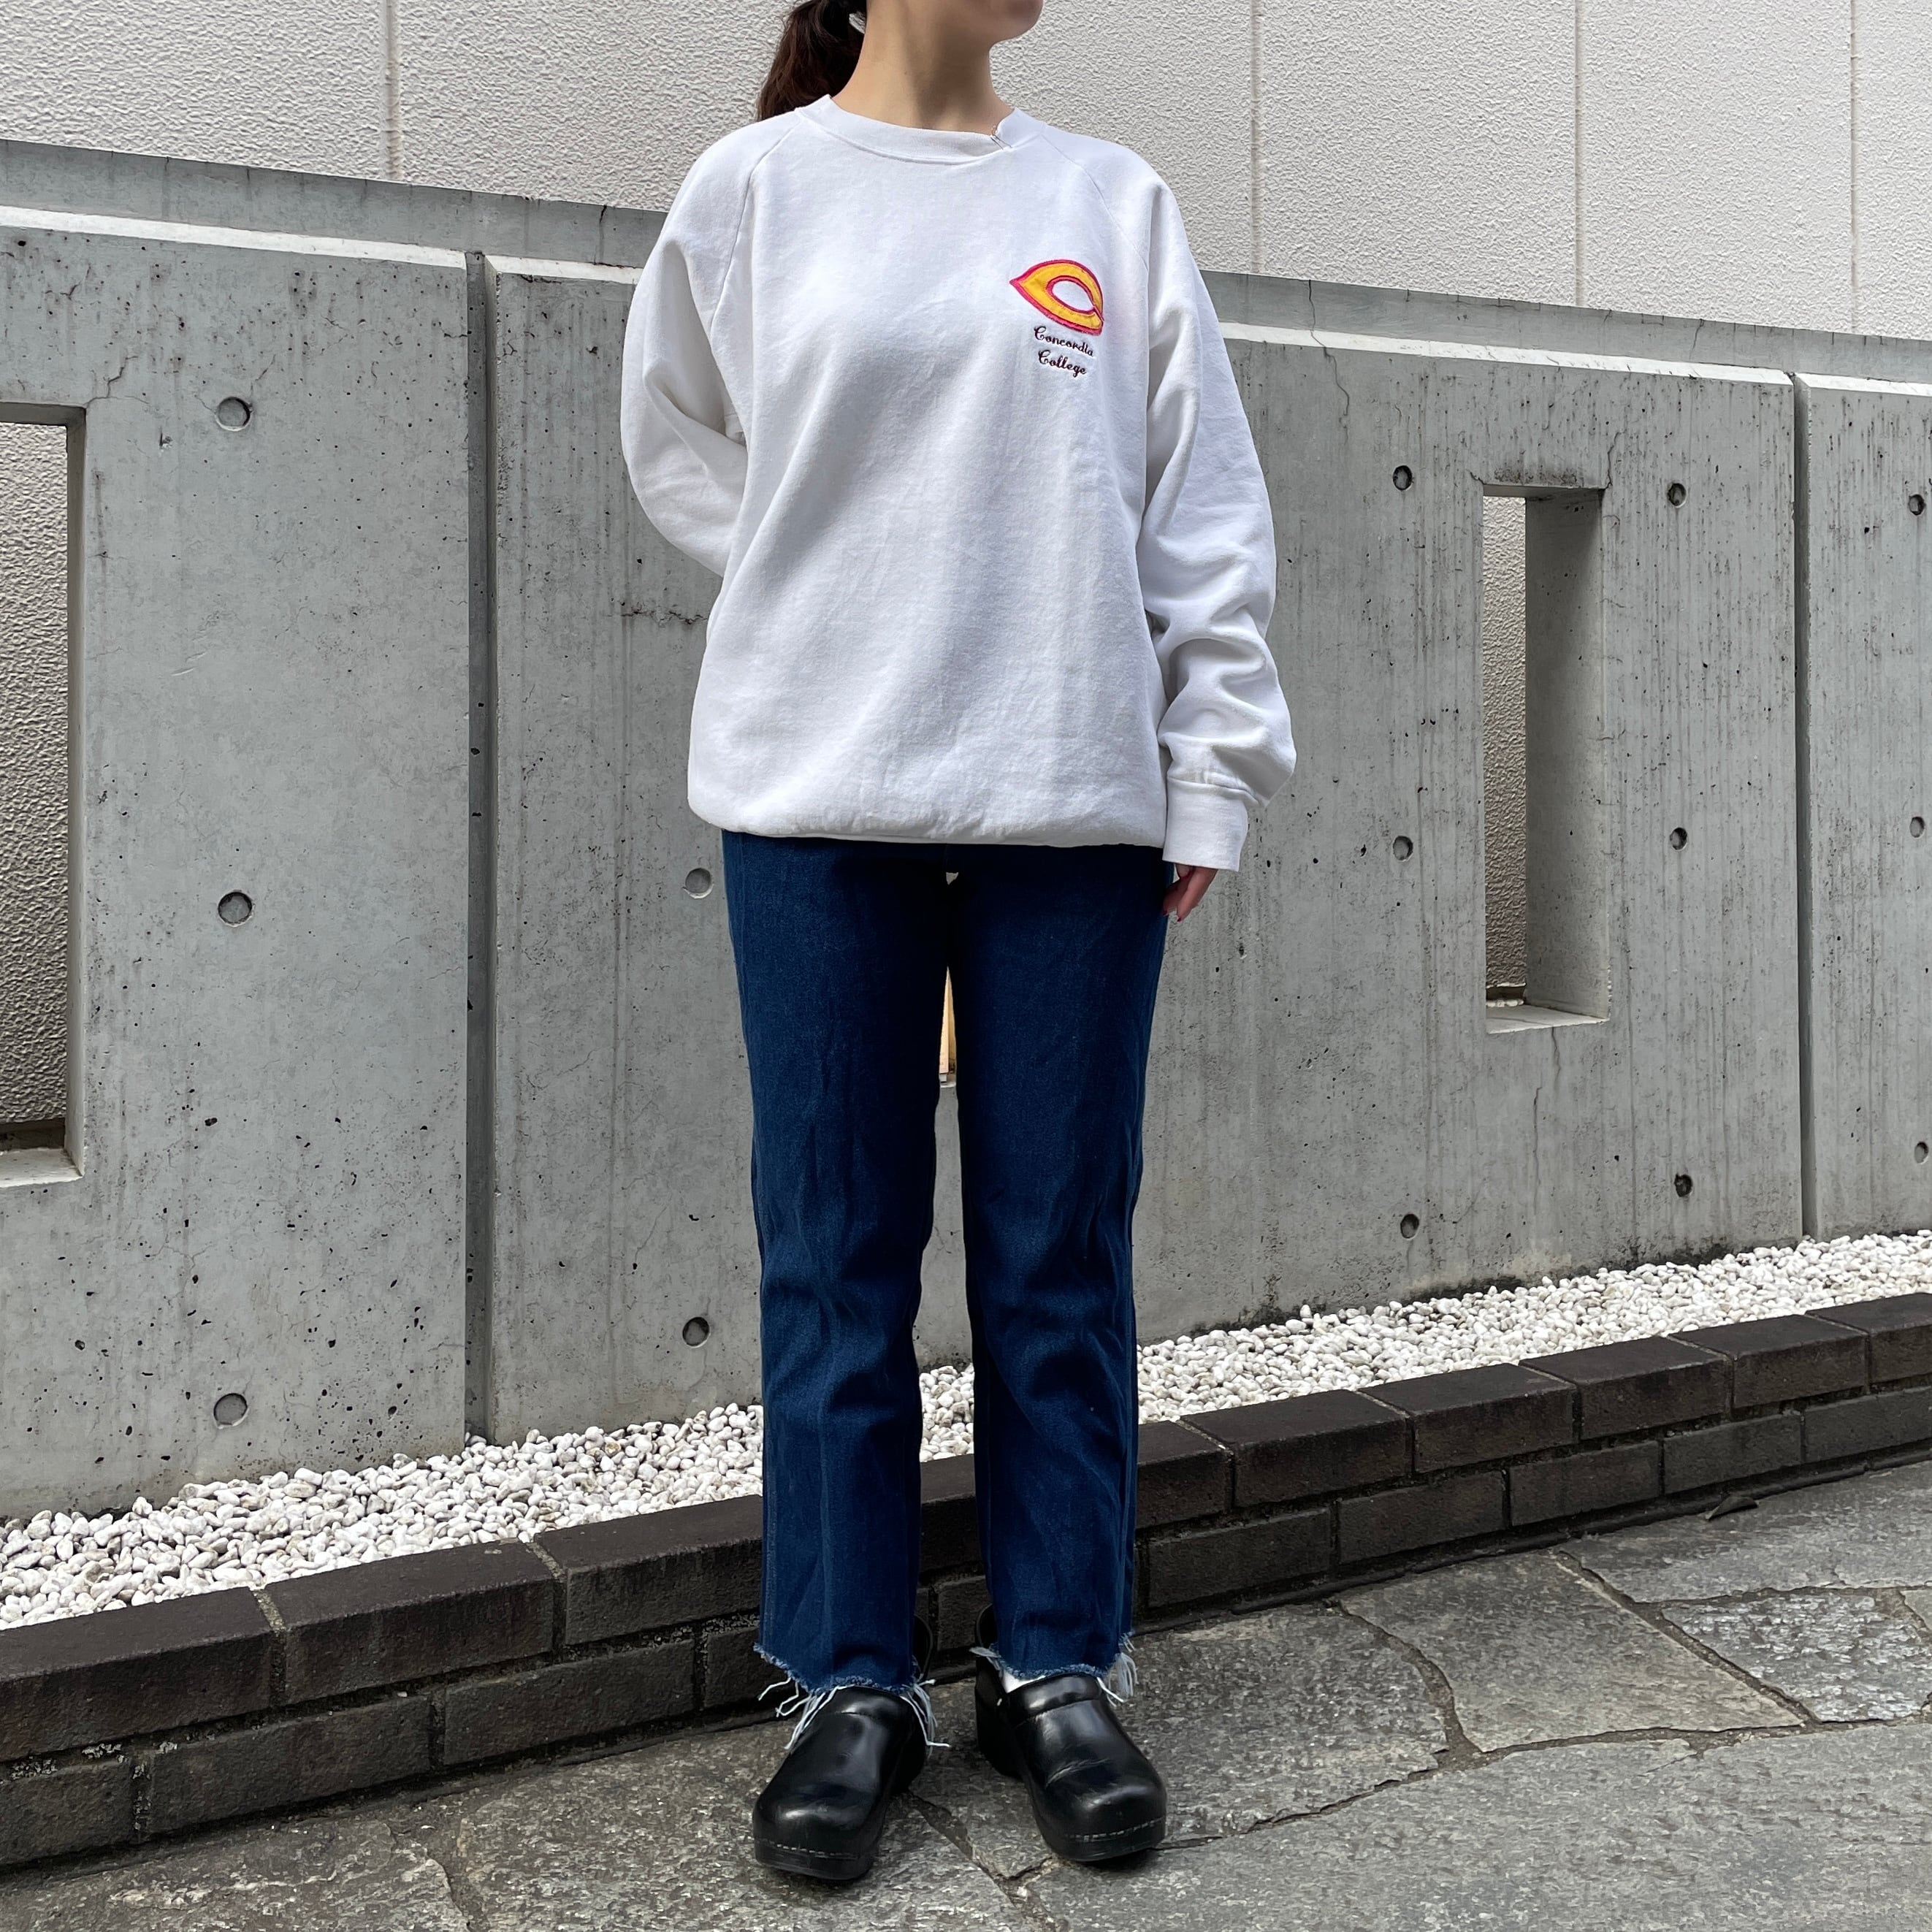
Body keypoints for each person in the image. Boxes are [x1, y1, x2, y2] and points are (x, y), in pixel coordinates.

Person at [619, 0, 1297, 1885]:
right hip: (814, 799)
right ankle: (849, 1683)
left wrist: (1211, 769)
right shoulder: (755, 191)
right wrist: (822, 585)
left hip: (1067, 803)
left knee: (1057, 1258)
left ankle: (1054, 1664)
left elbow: (1200, 505)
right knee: (834, 1256)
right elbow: (674, 438)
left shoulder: (1108, 202)